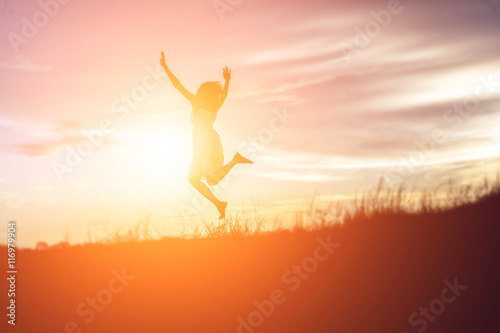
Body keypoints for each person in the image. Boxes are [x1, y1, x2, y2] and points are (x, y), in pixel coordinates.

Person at [160, 51, 253, 218]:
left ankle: (221, 195)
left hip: (204, 143)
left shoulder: (197, 102)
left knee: (195, 180)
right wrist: (227, 81)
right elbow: (223, 95)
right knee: (210, 179)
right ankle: (221, 199)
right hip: (210, 141)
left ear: (201, 93)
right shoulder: (215, 105)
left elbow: (178, 86)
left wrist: (166, 68)